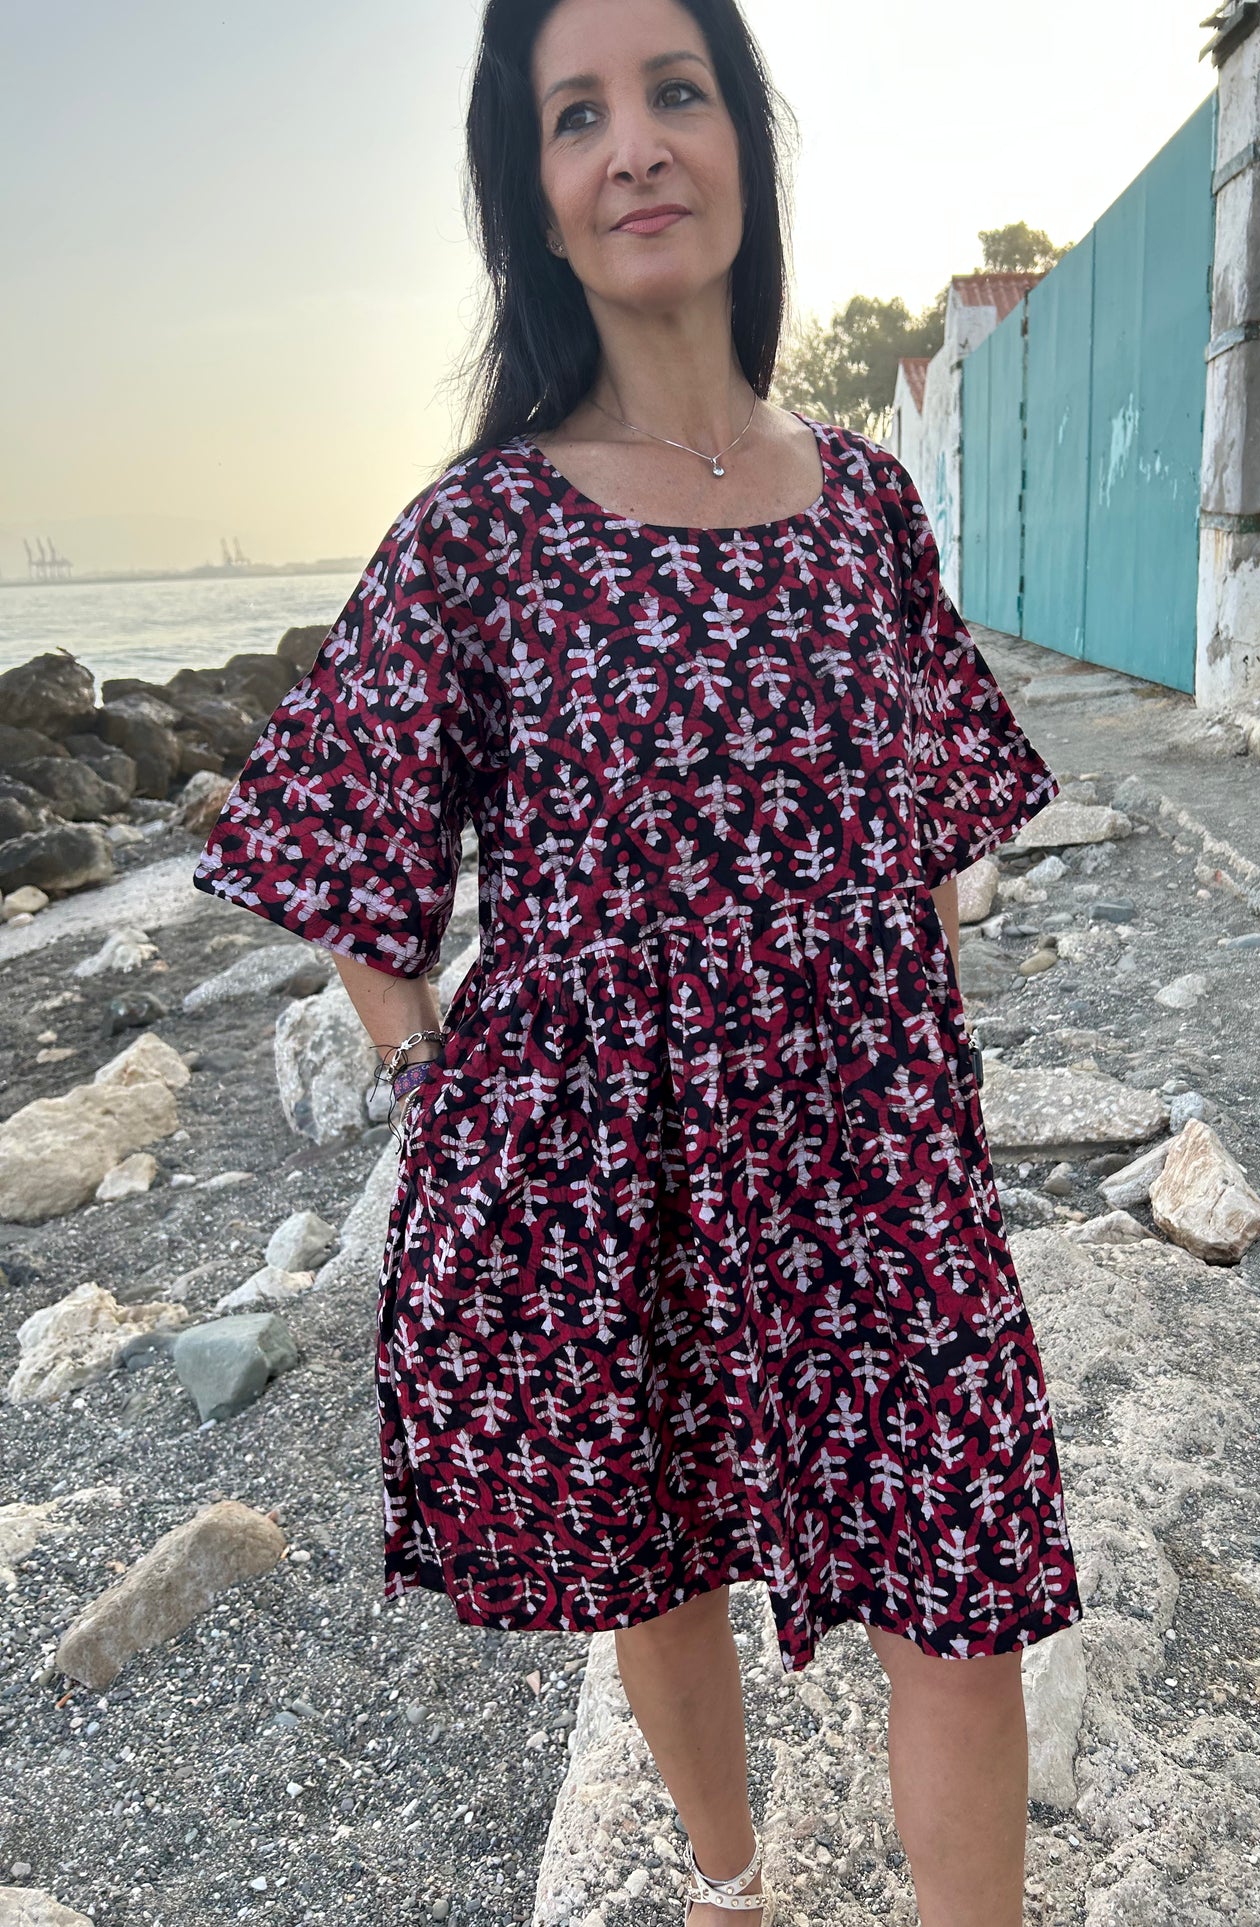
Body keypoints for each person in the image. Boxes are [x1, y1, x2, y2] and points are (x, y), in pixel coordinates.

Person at [192, 1, 1086, 1921]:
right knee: (660, 1546)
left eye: (675, 94)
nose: (635, 148)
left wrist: (913, 1054)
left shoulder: (863, 506)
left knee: (970, 1561)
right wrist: (445, 1081)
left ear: (742, 144)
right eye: (574, 116)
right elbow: (352, 850)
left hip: (872, 1147)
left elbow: (925, 816)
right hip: (610, 1149)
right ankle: (728, 1879)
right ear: (534, 194)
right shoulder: (479, 534)